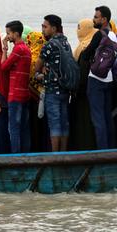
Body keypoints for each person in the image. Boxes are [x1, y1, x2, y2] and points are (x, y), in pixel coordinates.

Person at [81, 6, 117, 150]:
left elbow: (86, 54)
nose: (93, 19)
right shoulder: (113, 35)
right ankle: (111, 148)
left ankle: (102, 151)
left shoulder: (99, 34)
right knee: (107, 117)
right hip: (108, 79)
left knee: (98, 118)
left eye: (96, 17)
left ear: (104, 19)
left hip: (96, 79)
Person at [35, 15, 72, 152]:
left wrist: (40, 73)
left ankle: (55, 157)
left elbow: (36, 67)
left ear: (54, 28)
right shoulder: (65, 42)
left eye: (45, 27)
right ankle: (64, 155)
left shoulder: (49, 45)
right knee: (64, 124)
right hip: (65, 90)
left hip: (52, 91)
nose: (43, 30)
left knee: (55, 125)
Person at [1, 20, 32, 153]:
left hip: (15, 94)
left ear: (16, 34)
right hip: (24, 93)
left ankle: (16, 158)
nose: (7, 37)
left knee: (13, 128)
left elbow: (3, 67)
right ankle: (25, 156)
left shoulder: (18, 49)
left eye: (9, 33)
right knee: (24, 129)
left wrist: (4, 48)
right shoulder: (26, 49)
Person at [71, 18, 98, 151]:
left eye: (80, 28)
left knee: (84, 123)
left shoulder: (85, 48)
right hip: (93, 90)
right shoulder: (92, 42)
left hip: (84, 92)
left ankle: (85, 148)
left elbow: (82, 73)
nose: (77, 31)